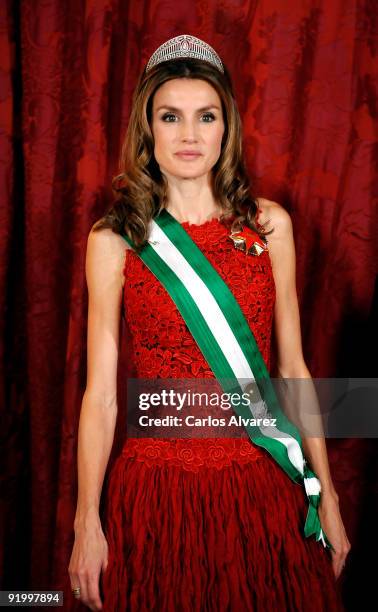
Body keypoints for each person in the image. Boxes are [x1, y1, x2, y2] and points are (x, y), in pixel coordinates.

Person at [68, 34, 351, 611]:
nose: (190, 135)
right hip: (156, 487)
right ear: (148, 128)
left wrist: (330, 496)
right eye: (171, 117)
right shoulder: (114, 238)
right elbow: (100, 395)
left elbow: (293, 369)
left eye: (206, 116)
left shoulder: (270, 226)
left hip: (261, 479)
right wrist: (86, 521)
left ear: (227, 128)